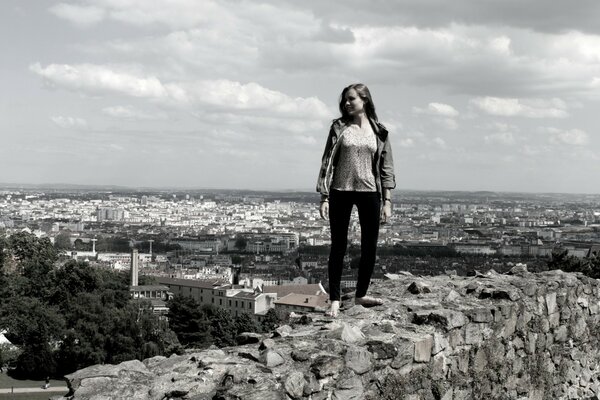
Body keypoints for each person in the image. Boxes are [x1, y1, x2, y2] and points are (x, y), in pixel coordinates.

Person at [317, 83, 396, 317]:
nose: (347, 103)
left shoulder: (379, 132)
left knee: (369, 247)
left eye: (351, 99)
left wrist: (387, 201)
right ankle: (334, 299)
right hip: (340, 190)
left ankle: (361, 293)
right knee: (338, 247)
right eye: (345, 100)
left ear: (365, 100)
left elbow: (386, 168)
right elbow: (327, 162)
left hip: (370, 191)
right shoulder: (339, 127)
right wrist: (324, 196)